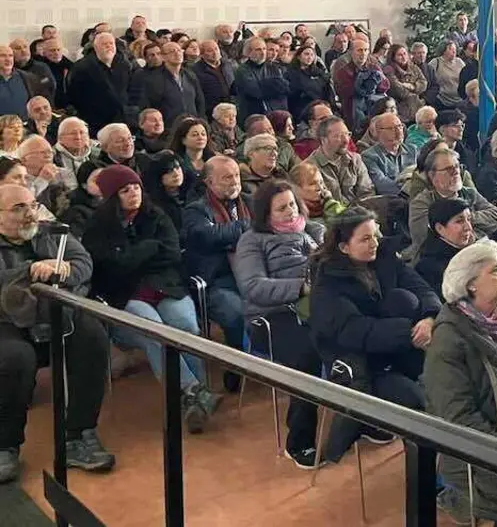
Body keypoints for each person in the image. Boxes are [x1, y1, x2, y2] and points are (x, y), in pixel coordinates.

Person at [83, 164, 218, 431]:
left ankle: (196, 398)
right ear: (112, 196)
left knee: (187, 327)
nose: (134, 193)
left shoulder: (156, 215)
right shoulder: (98, 227)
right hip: (125, 295)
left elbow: (172, 254)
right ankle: (194, 393)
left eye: (136, 187)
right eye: (125, 190)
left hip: (166, 286)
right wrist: (150, 247)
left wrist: (133, 256)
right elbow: (110, 267)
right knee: (155, 333)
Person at [0, 183, 114, 483]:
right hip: (7, 322)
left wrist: (64, 269)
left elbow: (83, 263)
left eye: (32, 205)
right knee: (15, 358)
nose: (29, 214)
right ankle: (5, 444)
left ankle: (78, 434)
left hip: (57, 312)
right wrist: (30, 270)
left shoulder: (55, 233)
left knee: (92, 338)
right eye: (18, 208)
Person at [310, 208, 439, 463]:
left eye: (376, 235)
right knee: (419, 406)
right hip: (361, 363)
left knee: (445, 380)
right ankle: (423, 477)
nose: (375, 244)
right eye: (365, 239)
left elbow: (422, 288)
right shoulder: (328, 285)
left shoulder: (385, 258)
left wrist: (429, 318)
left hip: (395, 346)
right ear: (344, 247)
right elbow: (354, 331)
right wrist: (409, 332)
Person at [232, 178, 324, 456]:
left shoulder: (313, 231)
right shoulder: (252, 241)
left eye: (293, 204)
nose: (290, 212)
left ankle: (363, 421)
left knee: (356, 335)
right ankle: (299, 442)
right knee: (307, 354)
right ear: (265, 214)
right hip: (271, 316)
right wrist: (301, 287)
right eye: (281, 208)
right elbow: (253, 287)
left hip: (317, 307)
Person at [406, 146, 497, 257]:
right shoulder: (421, 203)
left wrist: (467, 219)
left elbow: (496, 216)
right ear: (432, 175)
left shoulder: (469, 193)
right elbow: (425, 237)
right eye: (449, 169)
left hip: (477, 249)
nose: (456, 172)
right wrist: (474, 228)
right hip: (438, 257)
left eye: (457, 166)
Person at [66, 32, 131, 133]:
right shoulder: (82, 68)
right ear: (95, 47)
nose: (109, 46)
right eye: (104, 44)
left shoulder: (124, 64)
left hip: (122, 118)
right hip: (94, 121)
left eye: (111, 43)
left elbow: (130, 87)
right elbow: (75, 95)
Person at [413, 197, 477, 296]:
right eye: (459, 221)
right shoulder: (428, 267)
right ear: (439, 228)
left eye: (469, 219)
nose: (468, 227)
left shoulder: (474, 251)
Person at [305, 116, 375, 206]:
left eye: (347, 134)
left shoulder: (355, 160)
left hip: (359, 211)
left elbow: (367, 193)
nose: (346, 140)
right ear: (323, 140)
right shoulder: (309, 167)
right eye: (338, 136)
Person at [136, 40, 205, 127]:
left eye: (179, 50)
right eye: (172, 51)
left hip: (192, 125)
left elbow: (200, 102)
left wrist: (201, 122)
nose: (177, 53)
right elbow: (149, 106)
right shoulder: (153, 79)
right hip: (169, 127)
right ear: (163, 57)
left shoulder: (190, 75)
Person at [234, 37, 291, 123]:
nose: (263, 52)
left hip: (276, 114)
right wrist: (274, 84)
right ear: (248, 52)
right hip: (255, 116)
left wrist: (262, 84)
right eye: (258, 49)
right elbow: (256, 92)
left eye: (264, 49)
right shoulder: (242, 70)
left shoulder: (273, 67)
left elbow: (286, 88)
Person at [360, 113, 416, 196]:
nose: (398, 131)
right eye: (391, 128)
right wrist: (410, 191)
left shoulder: (412, 150)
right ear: (378, 132)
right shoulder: (369, 156)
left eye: (400, 126)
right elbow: (382, 185)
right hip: (390, 199)